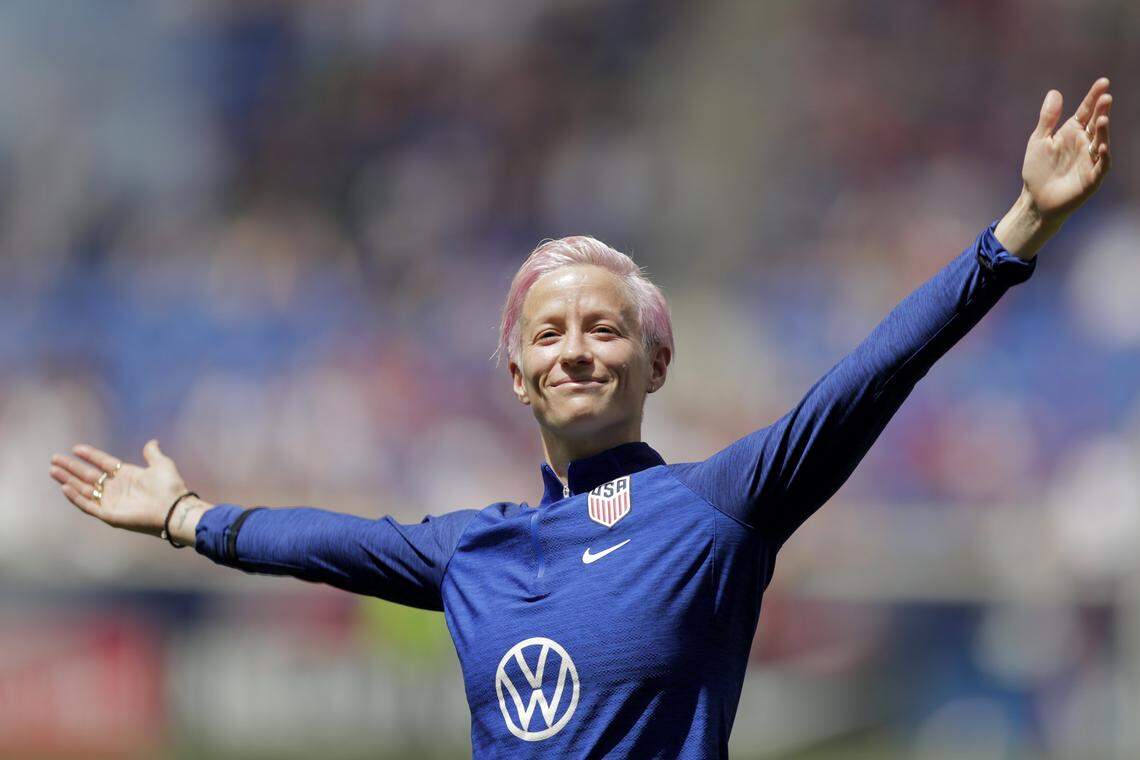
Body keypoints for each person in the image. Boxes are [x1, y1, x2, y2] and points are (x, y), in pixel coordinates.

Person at [50, 79, 1113, 758]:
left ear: (657, 358)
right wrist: (186, 514)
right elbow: (327, 543)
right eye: (549, 333)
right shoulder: (475, 549)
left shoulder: (716, 513)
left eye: (603, 328)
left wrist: (1015, 230)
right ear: (517, 375)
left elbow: (871, 376)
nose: (575, 348)